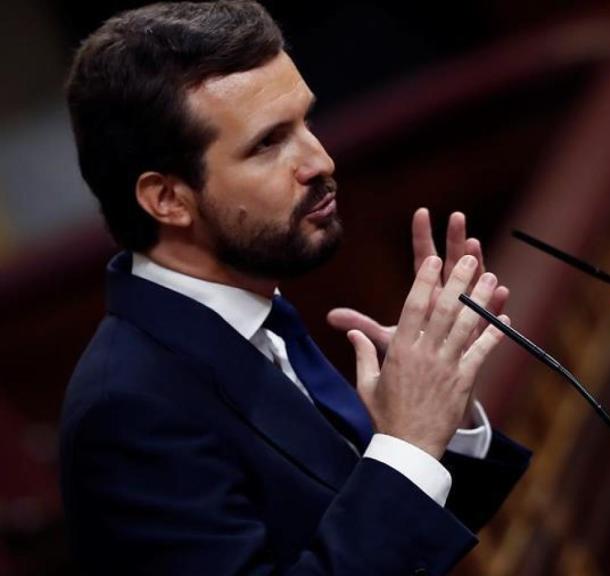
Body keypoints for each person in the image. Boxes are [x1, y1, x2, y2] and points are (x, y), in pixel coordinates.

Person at [59, 2, 530, 574]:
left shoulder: (260, 316)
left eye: (307, 121)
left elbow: (398, 547)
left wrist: (438, 415)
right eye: (268, 144)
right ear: (167, 200)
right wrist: (406, 443)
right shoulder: (128, 411)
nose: (320, 160)